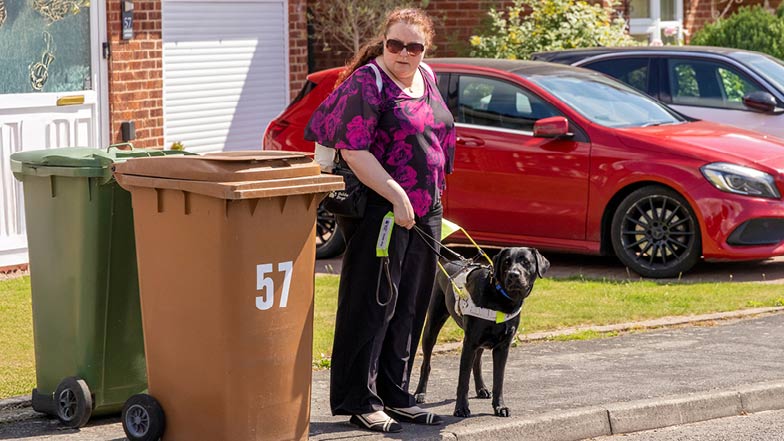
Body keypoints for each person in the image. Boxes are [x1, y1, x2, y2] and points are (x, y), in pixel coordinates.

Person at [304, 7, 456, 434]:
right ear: (384, 42)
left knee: (411, 302)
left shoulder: (427, 77)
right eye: (395, 45)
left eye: (414, 46)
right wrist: (396, 196)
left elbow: (433, 136)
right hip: (381, 210)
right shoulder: (367, 83)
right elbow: (353, 149)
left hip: (425, 209)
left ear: (425, 49)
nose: (403, 53)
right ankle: (360, 398)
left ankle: (396, 393)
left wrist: (430, 193)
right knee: (373, 302)